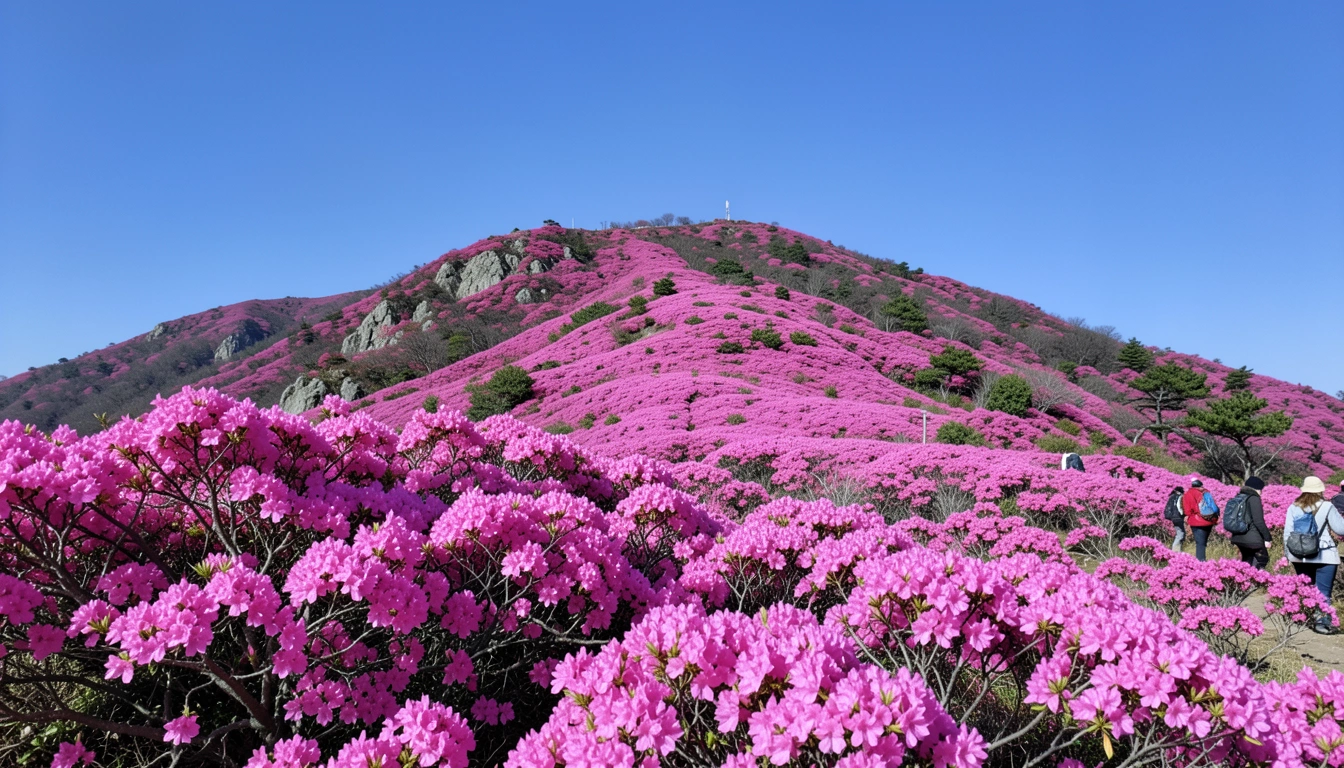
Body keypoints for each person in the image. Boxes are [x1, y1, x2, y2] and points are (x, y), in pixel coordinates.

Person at [1284, 476, 1344, 635]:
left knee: (1305, 590)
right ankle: (1321, 623)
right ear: (1320, 490)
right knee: (1323, 593)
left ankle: (1302, 619)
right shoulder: (1327, 506)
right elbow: (1340, 530)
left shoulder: (1293, 507)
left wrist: (1290, 556)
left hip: (1300, 555)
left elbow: (1287, 534)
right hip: (1325, 555)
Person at [1228, 476, 1271, 570]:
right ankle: (1254, 582)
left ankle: (1244, 582)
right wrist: (1267, 538)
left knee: (1247, 562)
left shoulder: (1239, 497)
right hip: (1252, 538)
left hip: (1238, 536)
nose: (1261, 492)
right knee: (1262, 560)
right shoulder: (1254, 498)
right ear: (1257, 489)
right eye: (1261, 489)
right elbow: (1258, 521)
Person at [1182, 477, 1216, 561]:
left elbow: (1188, 511)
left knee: (1199, 543)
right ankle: (1203, 560)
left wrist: (1188, 517)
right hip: (1209, 520)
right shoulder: (1206, 492)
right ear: (1201, 486)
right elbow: (1214, 507)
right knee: (1203, 542)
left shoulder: (1188, 494)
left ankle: (1201, 562)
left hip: (1196, 521)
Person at [1164, 486, 1186, 552]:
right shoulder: (1179, 497)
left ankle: (1177, 549)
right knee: (1180, 534)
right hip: (1178, 517)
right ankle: (1175, 551)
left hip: (1173, 518)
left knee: (1180, 533)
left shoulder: (1171, 497)